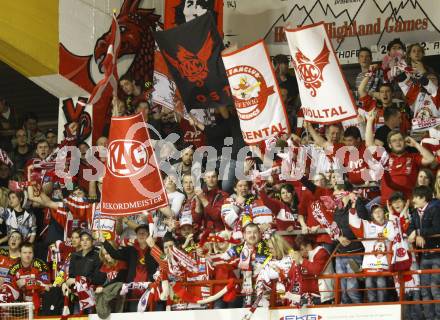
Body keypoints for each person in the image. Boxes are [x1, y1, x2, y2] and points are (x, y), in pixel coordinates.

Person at [365, 110, 435, 204]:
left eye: (400, 140)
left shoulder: (413, 157)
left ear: (405, 142)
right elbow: (370, 145)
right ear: (389, 145)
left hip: (408, 204)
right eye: (394, 141)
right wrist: (370, 121)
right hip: (388, 204)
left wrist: (415, 144)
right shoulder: (386, 157)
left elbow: (430, 159)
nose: (397, 142)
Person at [349, 204, 395, 302]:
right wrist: (352, 209)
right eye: (375, 212)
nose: (377, 214)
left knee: (381, 284)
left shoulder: (391, 224)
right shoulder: (367, 225)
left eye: (380, 211)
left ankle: (382, 309)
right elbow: (355, 223)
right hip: (370, 263)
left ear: (384, 212)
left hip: (384, 263)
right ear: (372, 215)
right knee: (369, 285)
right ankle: (373, 309)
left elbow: (395, 236)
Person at [407, 186, 440, 320]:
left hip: (437, 254)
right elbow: (410, 229)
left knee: (435, 289)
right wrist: (413, 234)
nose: (413, 199)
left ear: (423, 198)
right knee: (424, 290)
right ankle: (429, 318)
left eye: (415, 197)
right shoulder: (415, 212)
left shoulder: (436, 209)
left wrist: (419, 233)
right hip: (424, 255)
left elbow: (437, 228)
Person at [289, 235, 334, 305]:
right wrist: (296, 264)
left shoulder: (321, 252)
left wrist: (301, 260)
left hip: (322, 297)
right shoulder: (302, 257)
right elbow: (290, 275)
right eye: (299, 251)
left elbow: (316, 271)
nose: (301, 253)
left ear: (308, 245)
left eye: (302, 249)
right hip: (304, 296)